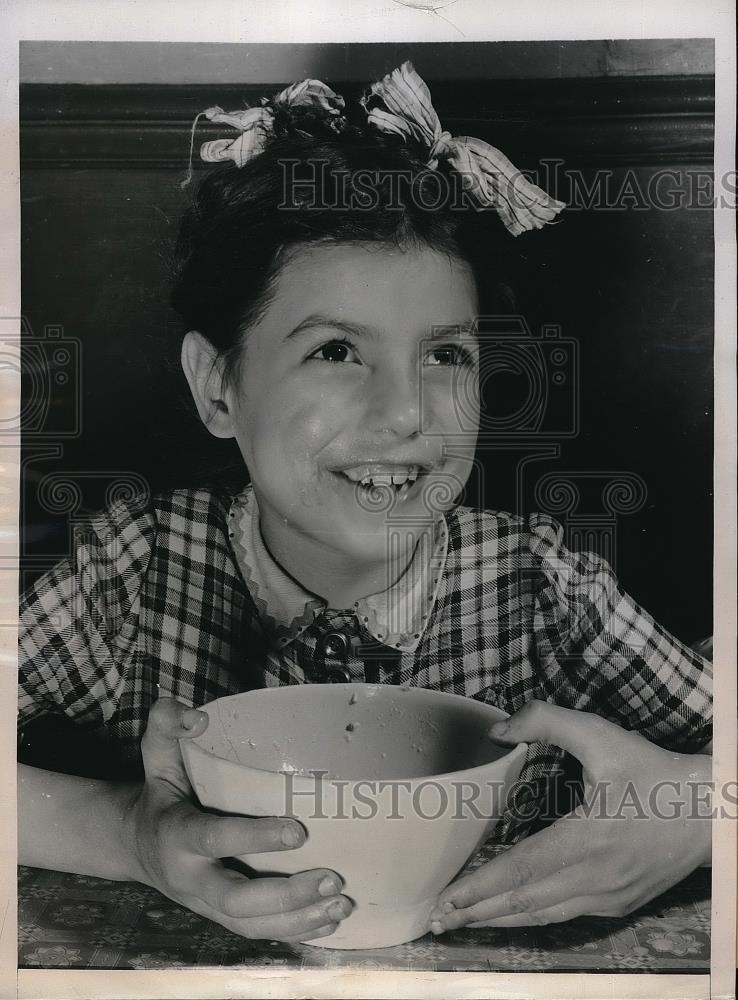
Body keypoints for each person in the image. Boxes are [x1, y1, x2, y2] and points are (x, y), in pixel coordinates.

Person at [18, 61, 712, 944]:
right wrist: (130, 835)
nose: (406, 414)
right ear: (217, 386)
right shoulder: (131, 574)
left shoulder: (541, 584)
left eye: (448, 356)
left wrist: (693, 813)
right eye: (338, 351)